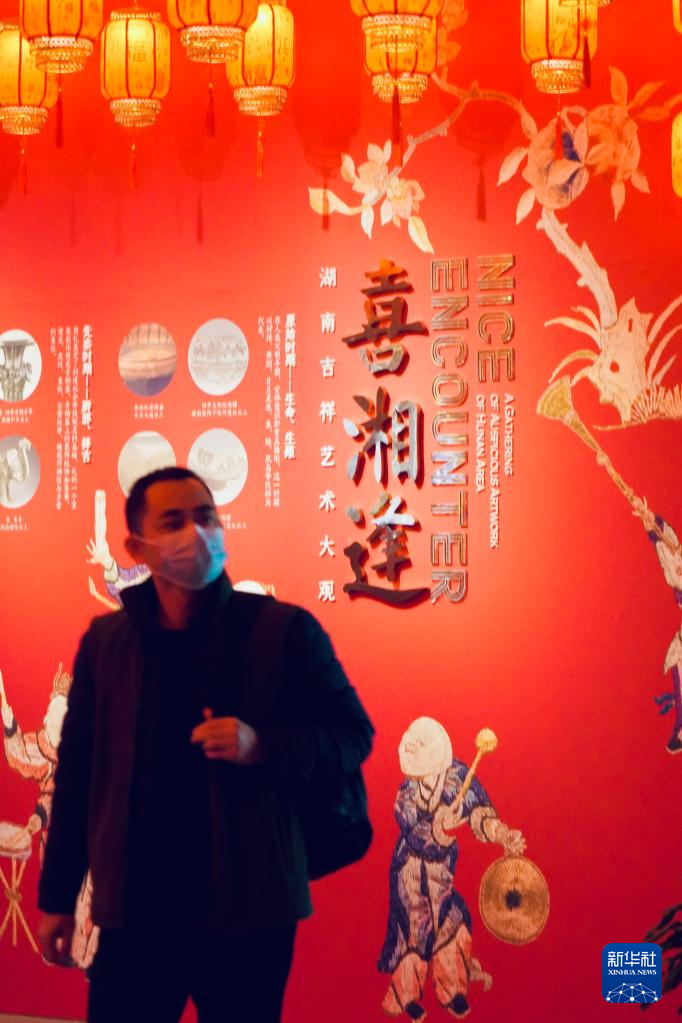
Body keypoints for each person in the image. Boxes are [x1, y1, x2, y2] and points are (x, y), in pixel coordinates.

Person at [37, 466, 374, 1023]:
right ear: (137, 547)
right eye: (172, 521)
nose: (195, 533)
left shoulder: (284, 631)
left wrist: (261, 745)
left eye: (205, 516)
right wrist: (57, 898)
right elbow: (76, 778)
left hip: (250, 913)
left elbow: (352, 734)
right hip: (136, 912)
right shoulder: (107, 644)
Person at [378, 717, 524, 1021]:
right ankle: (406, 996)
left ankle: (453, 990)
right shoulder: (407, 791)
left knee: (450, 922)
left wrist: (500, 833)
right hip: (409, 869)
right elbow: (410, 827)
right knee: (413, 930)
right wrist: (439, 827)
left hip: (441, 870)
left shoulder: (458, 776)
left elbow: (477, 812)